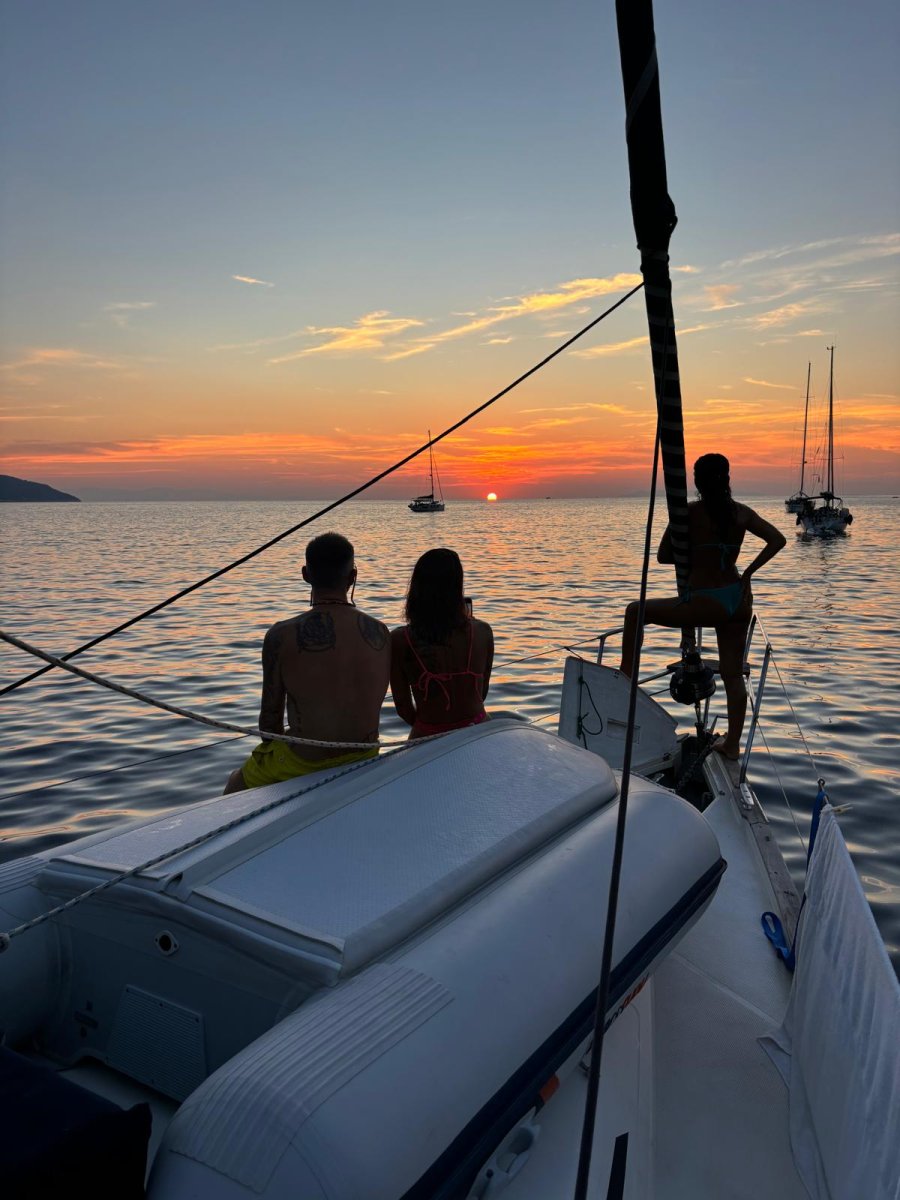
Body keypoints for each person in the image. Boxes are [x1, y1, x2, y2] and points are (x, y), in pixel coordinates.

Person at [619, 453, 786, 760]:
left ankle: (623, 680)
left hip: (706, 601)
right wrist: (747, 572)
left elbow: (664, 556)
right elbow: (778, 539)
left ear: (696, 481)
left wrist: (690, 547)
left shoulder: (688, 514)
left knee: (635, 611)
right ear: (728, 479)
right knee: (732, 675)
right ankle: (733, 744)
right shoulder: (742, 514)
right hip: (737, 600)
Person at [224, 532, 391, 792]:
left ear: (305, 574)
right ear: (353, 577)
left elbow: (269, 726)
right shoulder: (381, 632)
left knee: (235, 782)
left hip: (302, 762)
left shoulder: (281, 635)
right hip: (364, 756)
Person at [390, 548, 494, 739]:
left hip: (428, 735)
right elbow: (481, 692)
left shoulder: (399, 640)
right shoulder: (483, 632)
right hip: (478, 730)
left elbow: (403, 708)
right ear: (457, 586)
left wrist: (433, 728)